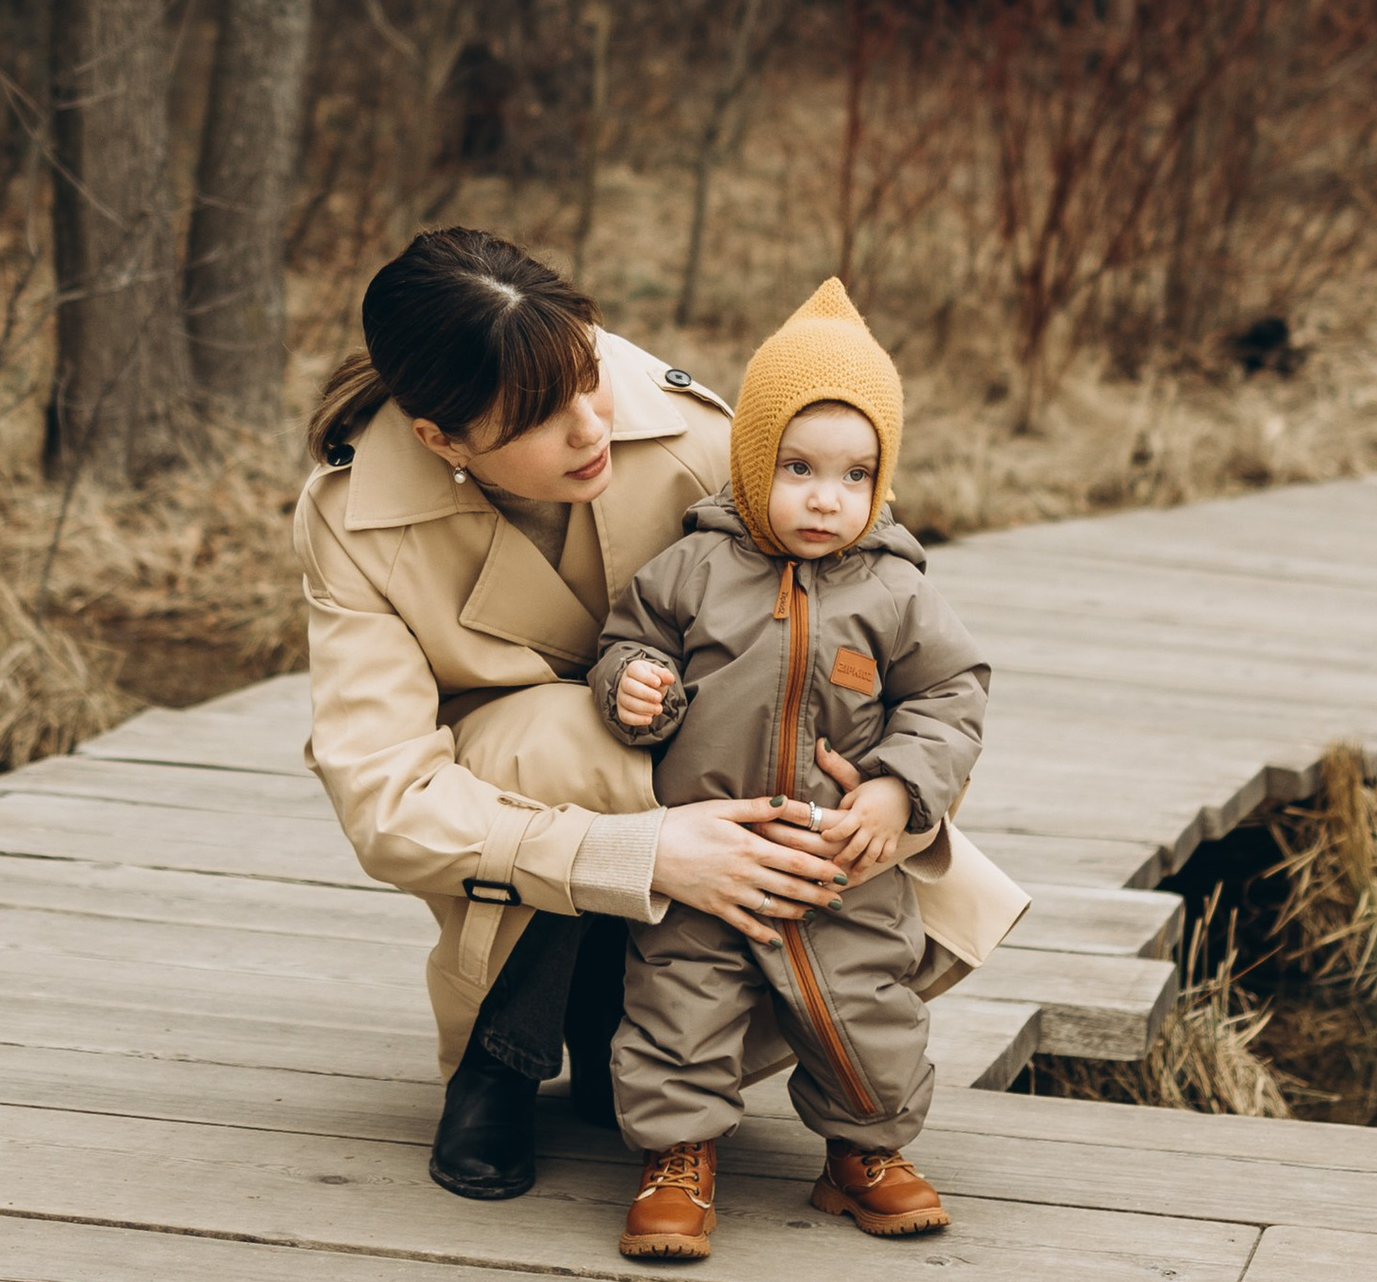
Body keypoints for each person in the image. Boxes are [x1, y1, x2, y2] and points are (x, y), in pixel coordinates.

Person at [293, 230, 1025, 1203]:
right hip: (517, 790)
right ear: (440, 438)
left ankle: (635, 1031)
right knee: (566, 738)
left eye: (589, 377)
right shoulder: (355, 515)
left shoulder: (700, 438)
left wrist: (894, 792)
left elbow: (883, 624)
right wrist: (646, 853)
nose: (590, 427)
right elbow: (385, 798)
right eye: (537, 420)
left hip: (733, 766)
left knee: (718, 731)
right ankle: (503, 1053)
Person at [588, 277, 1003, 1265]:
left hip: (839, 859)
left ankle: (863, 1150)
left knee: (866, 1002)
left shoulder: (895, 589)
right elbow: (622, 642)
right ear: (749, 460)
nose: (828, 496)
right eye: (800, 466)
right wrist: (633, 682)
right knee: (680, 998)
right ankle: (676, 1154)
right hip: (710, 847)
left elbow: (951, 694)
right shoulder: (691, 569)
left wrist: (899, 787)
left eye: (856, 474)